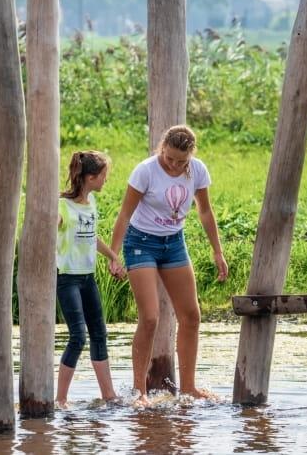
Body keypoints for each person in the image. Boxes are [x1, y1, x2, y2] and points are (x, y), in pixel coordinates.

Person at [109, 125, 229, 405]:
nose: (174, 165)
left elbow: (205, 211)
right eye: (169, 158)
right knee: (150, 317)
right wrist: (114, 256)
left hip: (174, 243)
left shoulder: (198, 170)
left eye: (181, 161)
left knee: (191, 316)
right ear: (162, 148)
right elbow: (125, 214)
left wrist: (217, 251)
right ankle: (139, 392)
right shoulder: (146, 171)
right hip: (141, 243)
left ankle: (188, 387)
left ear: (190, 156)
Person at [55, 150, 126, 408]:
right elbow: (50, 226)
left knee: (99, 334)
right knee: (78, 336)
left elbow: (92, 237)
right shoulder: (62, 205)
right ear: (91, 177)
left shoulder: (91, 202)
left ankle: (109, 395)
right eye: (104, 176)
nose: (106, 180)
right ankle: (61, 399)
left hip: (87, 278)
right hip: (67, 279)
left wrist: (113, 258)